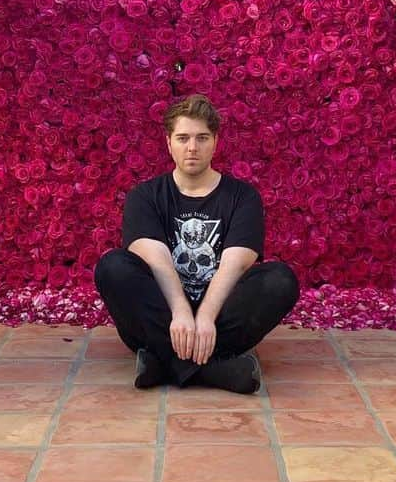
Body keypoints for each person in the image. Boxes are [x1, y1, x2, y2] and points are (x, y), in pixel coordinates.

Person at [94, 94, 299, 392]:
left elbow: (235, 263)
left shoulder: (242, 197)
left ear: (215, 141)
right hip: (160, 317)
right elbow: (158, 260)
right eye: (183, 138)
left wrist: (204, 316)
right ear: (169, 143)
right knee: (112, 267)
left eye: (202, 137)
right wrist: (180, 312)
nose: (192, 147)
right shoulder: (146, 196)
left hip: (219, 321)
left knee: (281, 280)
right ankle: (215, 370)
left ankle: (163, 362)